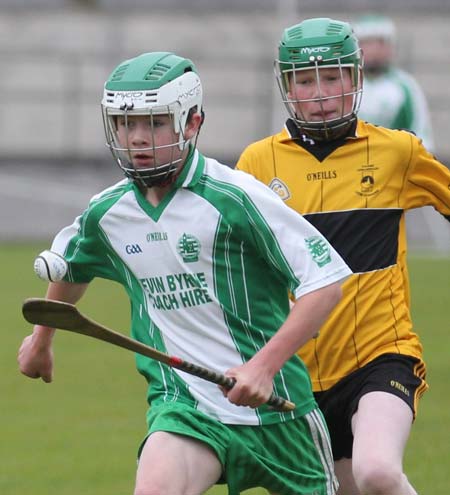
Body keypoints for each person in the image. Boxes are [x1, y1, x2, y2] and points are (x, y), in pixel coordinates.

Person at [17, 51, 351, 495]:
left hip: (278, 413)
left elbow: (325, 281)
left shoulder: (235, 198)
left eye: (154, 123)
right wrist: (42, 340)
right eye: (124, 123)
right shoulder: (108, 213)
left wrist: (263, 367)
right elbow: (73, 267)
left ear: (191, 124)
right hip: (185, 407)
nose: (136, 138)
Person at [236, 17, 450, 495]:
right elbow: (234, 266)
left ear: (354, 80)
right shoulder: (256, 164)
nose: (320, 92)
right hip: (298, 374)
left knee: (378, 471)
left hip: (382, 353)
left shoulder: (399, 152)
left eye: (331, 77)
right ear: (287, 86)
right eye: (305, 80)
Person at [354, 14, 434, 151]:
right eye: (367, 43)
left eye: (380, 43)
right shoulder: (347, 84)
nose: (374, 50)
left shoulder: (405, 86)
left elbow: (421, 130)